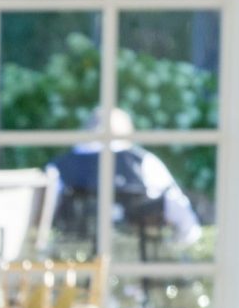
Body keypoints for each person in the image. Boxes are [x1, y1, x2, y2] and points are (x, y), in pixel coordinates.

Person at [47, 109, 202, 258]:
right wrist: (172, 245)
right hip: (138, 264)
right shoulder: (143, 162)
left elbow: (43, 216)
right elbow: (181, 215)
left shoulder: (60, 167)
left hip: (74, 261)